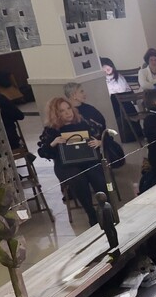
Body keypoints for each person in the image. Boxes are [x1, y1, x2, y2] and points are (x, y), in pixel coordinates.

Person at [37, 96, 107, 226]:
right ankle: (91, 214)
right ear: (56, 114)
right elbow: (43, 152)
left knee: (96, 175)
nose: (67, 113)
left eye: (68, 108)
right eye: (62, 111)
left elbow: (104, 135)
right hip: (66, 165)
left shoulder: (83, 123)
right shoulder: (51, 130)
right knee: (78, 178)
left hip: (87, 160)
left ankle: (105, 210)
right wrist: (53, 143)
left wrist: (99, 142)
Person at [65, 81, 124, 168]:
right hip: (76, 148)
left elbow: (102, 127)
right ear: (73, 95)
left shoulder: (90, 110)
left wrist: (101, 142)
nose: (84, 94)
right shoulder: (67, 113)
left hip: (95, 145)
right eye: (81, 91)